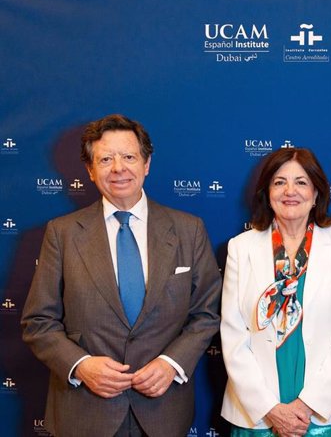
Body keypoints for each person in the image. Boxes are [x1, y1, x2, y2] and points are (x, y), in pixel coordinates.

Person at [21, 114, 222, 436]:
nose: (118, 168)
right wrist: (80, 365)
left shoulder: (188, 229)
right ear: (90, 170)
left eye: (129, 157)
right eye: (105, 159)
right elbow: (38, 322)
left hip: (163, 412)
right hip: (84, 412)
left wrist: (171, 364)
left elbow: (206, 314)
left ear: (146, 164)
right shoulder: (62, 233)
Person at [220, 147, 331, 436]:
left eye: (301, 182)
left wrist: (308, 405)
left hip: (330, 412)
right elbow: (233, 333)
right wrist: (270, 409)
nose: (290, 191)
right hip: (258, 413)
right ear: (267, 192)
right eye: (279, 182)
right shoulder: (240, 247)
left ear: (316, 194)